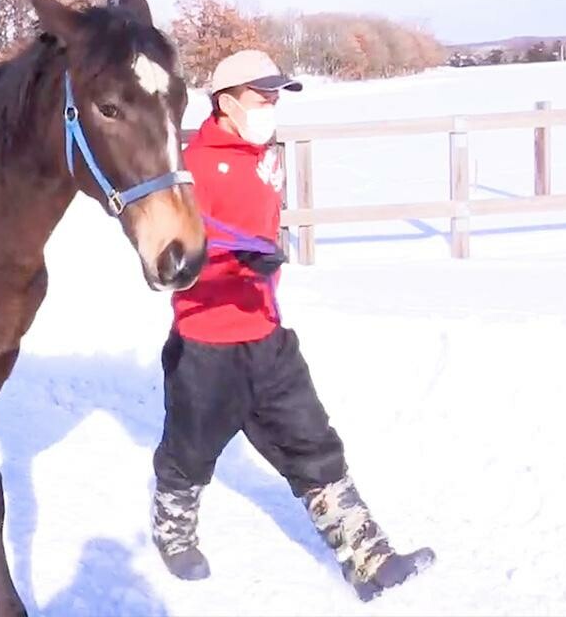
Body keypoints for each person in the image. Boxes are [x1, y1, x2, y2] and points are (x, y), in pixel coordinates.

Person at [150, 49, 434, 602]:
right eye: (261, 98)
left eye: (276, 98)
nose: (271, 107)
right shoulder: (192, 166)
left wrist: (259, 261)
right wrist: (233, 259)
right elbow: (170, 258)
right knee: (188, 455)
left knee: (315, 445)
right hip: (207, 346)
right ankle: (172, 534)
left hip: (268, 337)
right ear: (226, 103)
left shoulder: (264, 155)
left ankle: (372, 560)